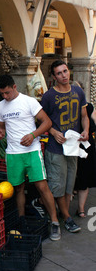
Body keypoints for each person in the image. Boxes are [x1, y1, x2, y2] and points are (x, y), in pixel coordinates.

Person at [0, 74, 61, 241]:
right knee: (18, 188)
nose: (5, 96)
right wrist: (0, 133)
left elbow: (47, 122)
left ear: (15, 87)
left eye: (7, 92)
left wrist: (33, 135)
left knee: (42, 186)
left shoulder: (29, 101)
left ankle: (54, 222)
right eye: (2, 93)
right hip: (13, 153)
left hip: (32, 151)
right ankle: (22, 220)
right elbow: (1, 126)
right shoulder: (1, 106)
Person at [38, 60, 89, 233]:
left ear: (69, 71)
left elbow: (84, 116)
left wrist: (86, 130)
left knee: (68, 186)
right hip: (56, 148)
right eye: (59, 73)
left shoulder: (78, 91)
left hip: (73, 147)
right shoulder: (48, 96)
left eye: (65, 71)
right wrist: (52, 131)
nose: (63, 75)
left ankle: (60, 213)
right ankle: (66, 218)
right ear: (53, 77)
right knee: (57, 186)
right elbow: (40, 118)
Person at [73, 82, 96, 218]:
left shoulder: (88, 106)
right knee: (78, 177)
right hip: (75, 146)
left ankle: (80, 209)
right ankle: (80, 210)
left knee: (83, 176)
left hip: (85, 146)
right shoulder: (88, 106)